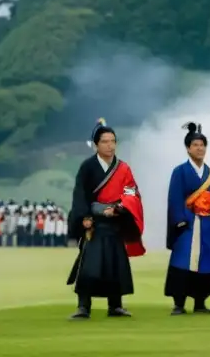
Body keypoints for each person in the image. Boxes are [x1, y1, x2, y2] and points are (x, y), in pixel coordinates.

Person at [66, 119, 146, 320]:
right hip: (94, 224)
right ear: (96, 144)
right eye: (105, 141)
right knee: (89, 267)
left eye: (113, 141)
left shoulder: (123, 169)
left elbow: (131, 192)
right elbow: (80, 195)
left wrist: (120, 208)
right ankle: (83, 306)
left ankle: (116, 305)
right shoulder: (87, 167)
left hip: (115, 223)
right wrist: (84, 216)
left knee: (115, 265)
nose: (110, 145)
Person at [164, 122, 210, 315]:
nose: (199, 148)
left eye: (202, 145)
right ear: (187, 148)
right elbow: (175, 197)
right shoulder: (180, 171)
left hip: (207, 224)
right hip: (187, 222)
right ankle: (179, 303)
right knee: (182, 260)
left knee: (205, 262)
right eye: (195, 145)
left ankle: (200, 302)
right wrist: (179, 219)